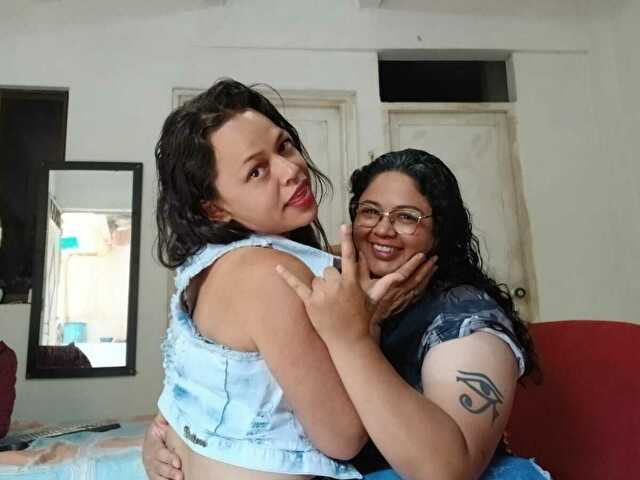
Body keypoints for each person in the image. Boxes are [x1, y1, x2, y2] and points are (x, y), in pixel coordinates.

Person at [146, 148, 551, 480]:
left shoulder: (465, 320)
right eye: (370, 212)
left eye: (406, 217)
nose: (383, 230)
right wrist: (162, 435)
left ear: (440, 231)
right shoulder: (336, 278)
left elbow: (446, 471)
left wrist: (356, 335)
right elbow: (227, 376)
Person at [149, 79, 429, 480]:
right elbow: (343, 437)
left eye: (283, 146)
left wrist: (154, 440)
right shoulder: (273, 277)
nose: (291, 169)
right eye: (257, 171)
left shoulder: (203, 263)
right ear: (214, 209)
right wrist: (365, 321)